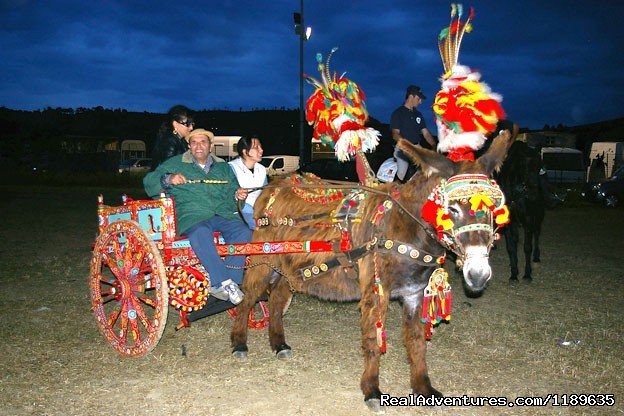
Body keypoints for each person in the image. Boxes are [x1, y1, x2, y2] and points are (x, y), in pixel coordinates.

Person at [144, 128, 251, 305]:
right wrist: (168, 179)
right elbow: (149, 181)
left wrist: (237, 195)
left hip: (221, 214)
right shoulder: (175, 163)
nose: (198, 146)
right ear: (189, 146)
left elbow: (232, 192)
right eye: (194, 142)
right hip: (192, 215)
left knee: (243, 231)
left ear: (210, 146)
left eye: (203, 142)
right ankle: (222, 282)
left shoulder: (224, 167)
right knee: (200, 232)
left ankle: (231, 280)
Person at [390, 85, 437, 182]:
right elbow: (395, 134)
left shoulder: (418, 115)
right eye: (419, 99)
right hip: (402, 147)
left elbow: (426, 133)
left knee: (429, 166)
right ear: (411, 96)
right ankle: (392, 192)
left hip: (416, 146)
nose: (420, 102)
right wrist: (406, 145)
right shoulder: (398, 113)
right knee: (402, 171)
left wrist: (434, 145)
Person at [228, 135, 268, 230]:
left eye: (260, 147)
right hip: (238, 212)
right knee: (262, 227)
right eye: (256, 147)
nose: (261, 150)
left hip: (257, 211)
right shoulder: (231, 168)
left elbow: (264, 194)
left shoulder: (261, 169)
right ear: (245, 152)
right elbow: (228, 195)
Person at [150, 105, 195, 171]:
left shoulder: (180, 140)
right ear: (175, 124)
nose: (191, 128)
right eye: (187, 124)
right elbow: (169, 168)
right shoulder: (169, 141)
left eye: (192, 124)